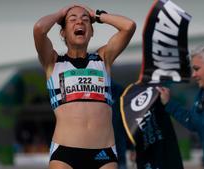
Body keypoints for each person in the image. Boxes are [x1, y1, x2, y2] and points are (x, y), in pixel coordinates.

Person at [33, 4, 136, 169]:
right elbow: (39, 29)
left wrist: (97, 15)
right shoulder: (53, 62)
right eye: (72, 20)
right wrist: (61, 13)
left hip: (104, 153)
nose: (79, 22)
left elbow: (129, 26)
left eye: (85, 20)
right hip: (64, 154)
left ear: (92, 31)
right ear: (63, 32)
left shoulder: (103, 58)